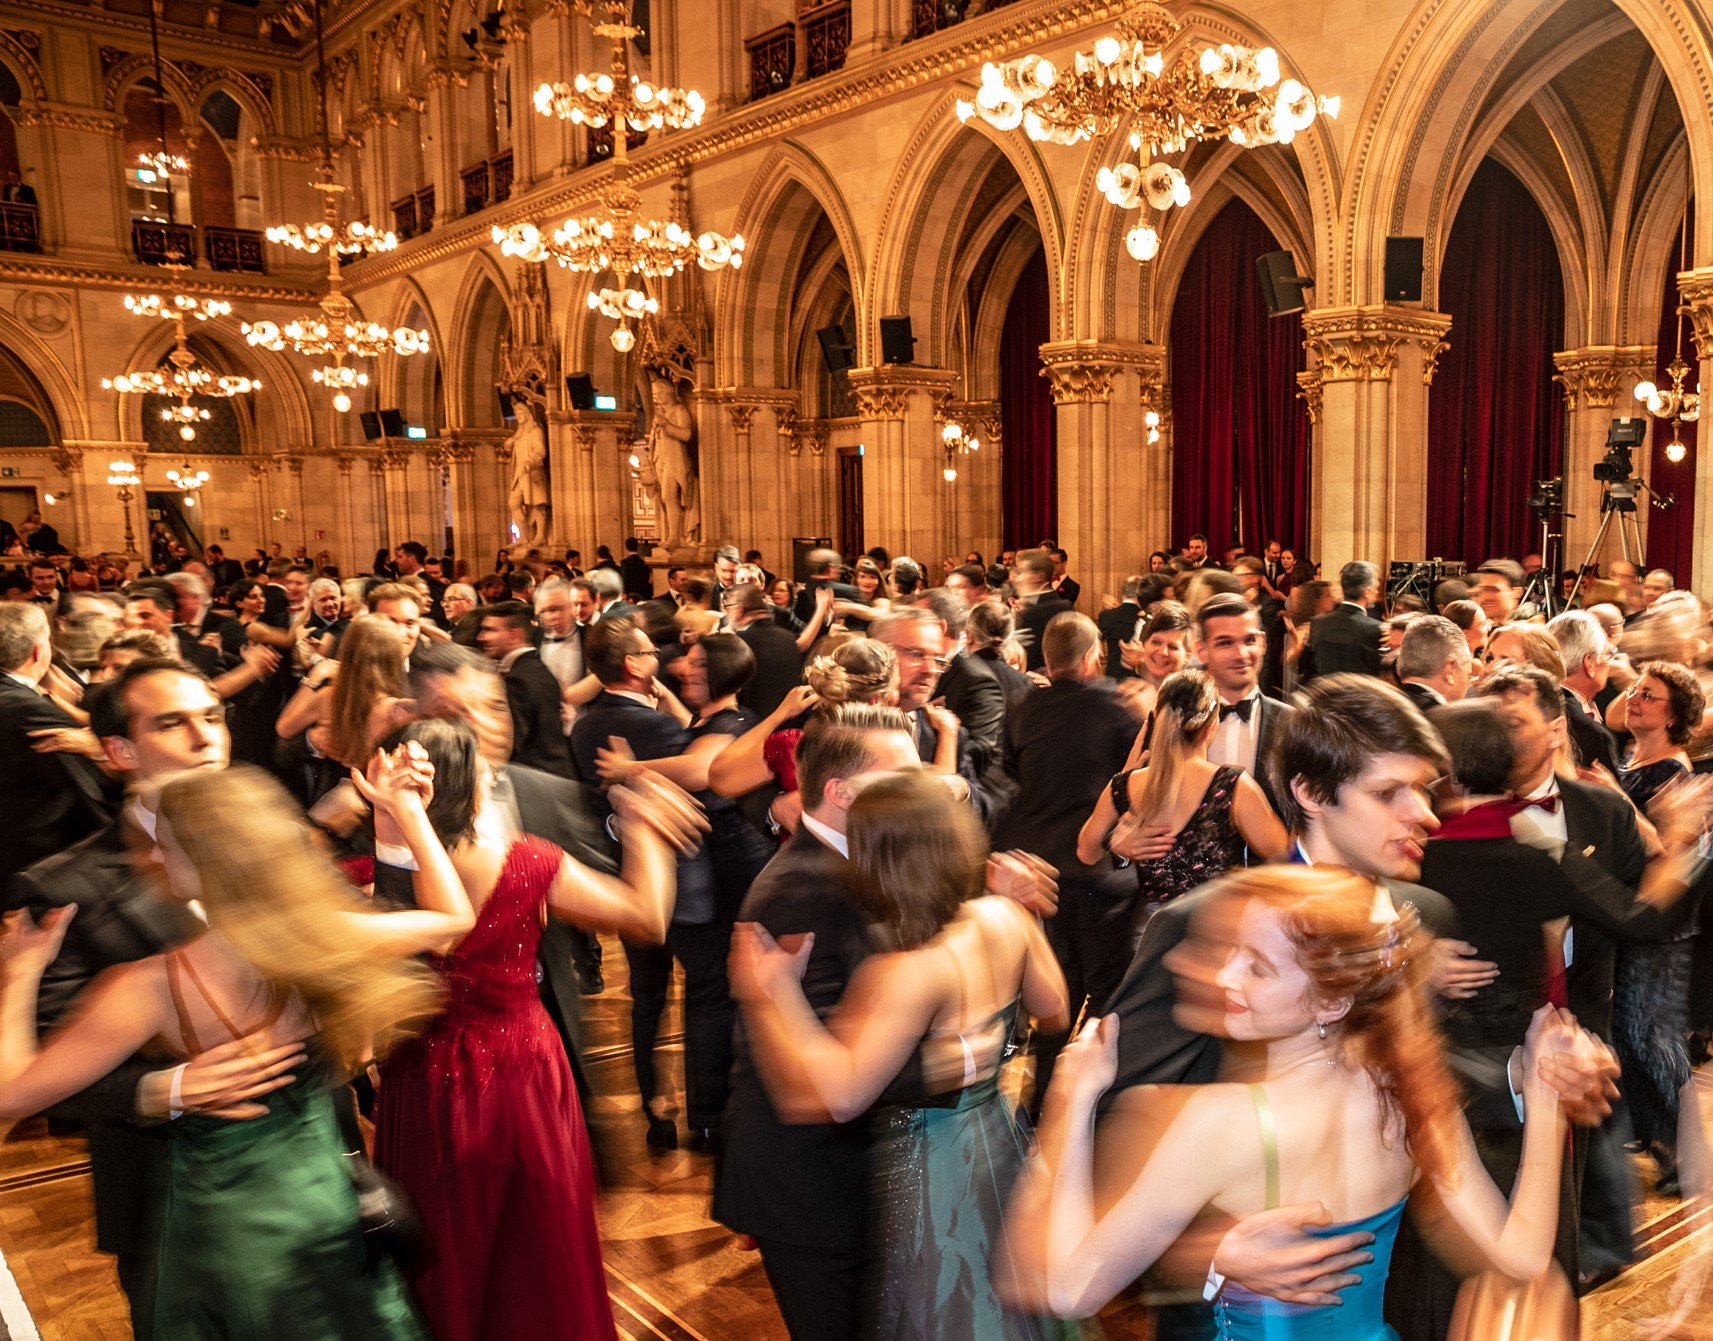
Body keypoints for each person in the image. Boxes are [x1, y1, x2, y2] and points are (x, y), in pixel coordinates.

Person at [0, 751, 479, 1339]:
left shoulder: (150, 986)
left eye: (167, 845)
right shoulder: (322, 938)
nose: (154, 856)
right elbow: (453, 919)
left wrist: (19, 973)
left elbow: (11, 1094)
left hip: (229, 1234)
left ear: (207, 860)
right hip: (323, 1208)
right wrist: (407, 811)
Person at [1003, 866, 1581, 1332]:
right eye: (1231, 952)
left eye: (1256, 968)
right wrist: (1547, 1100)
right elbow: (1522, 1258)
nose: (1226, 978)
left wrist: (1071, 1102)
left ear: (1332, 1005)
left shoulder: (1221, 1123)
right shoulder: (1409, 1100)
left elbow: (1067, 1289)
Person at [373, 716, 702, 1341]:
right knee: (538, 1246)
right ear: (470, 788)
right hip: (521, 1075)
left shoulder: (384, 877)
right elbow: (647, 915)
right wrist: (644, 830)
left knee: (444, 1247)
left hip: (426, 1078)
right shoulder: (524, 862)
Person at [730, 769, 1074, 1341]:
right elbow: (1056, 1008)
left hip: (936, 1167)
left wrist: (775, 994)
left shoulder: (908, 972)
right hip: (996, 1142)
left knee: (946, 1311)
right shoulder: (1004, 916)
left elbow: (840, 1097)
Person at [571, 616, 727, 1151]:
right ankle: (705, 1115)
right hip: (686, 883)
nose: (662, 659)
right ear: (635, 665)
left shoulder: (584, 726)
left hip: (623, 875)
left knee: (646, 998)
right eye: (649, 653)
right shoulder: (662, 729)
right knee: (704, 995)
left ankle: (655, 1109)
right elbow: (705, 778)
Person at [1079, 668, 1288, 919]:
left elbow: (1086, 852)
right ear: (1211, 726)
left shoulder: (1124, 785)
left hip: (1148, 939)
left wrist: (1118, 848)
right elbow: (1285, 858)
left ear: (1157, 719)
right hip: (1215, 935)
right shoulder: (1231, 784)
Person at [1609, 660, 1706, 1195]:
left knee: (1653, 1037)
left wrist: (1614, 797)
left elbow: (1671, 850)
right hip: (1629, 912)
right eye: (1635, 690)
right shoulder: (1629, 757)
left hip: (1663, 921)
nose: (1635, 699)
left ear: (1674, 715)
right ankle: (1658, 1142)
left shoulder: (1675, 773)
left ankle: (1690, 1155)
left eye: (1649, 695)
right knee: (1630, 1033)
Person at [0, 604, 112, 883]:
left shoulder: (23, 700)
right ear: (39, 650)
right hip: (31, 860)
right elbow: (87, 785)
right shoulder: (26, 708)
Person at [479, 599, 573, 777]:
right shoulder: (534, 668)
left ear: (514, 635)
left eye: (490, 630)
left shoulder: (518, 679)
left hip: (538, 781)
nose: (482, 637)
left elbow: (509, 743)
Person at [1549, 609, 1621, 776]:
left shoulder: (1537, 701)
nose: (1607, 662)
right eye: (1606, 654)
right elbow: (1610, 799)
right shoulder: (1589, 731)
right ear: (1589, 664)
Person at [1300, 561, 1382, 680]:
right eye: (1376, 588)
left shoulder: (1318, 623)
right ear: (1366, 592)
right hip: (1358, 696)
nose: (1377, 592)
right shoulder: (1375, 629)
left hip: (1323, 695)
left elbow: (1305, 667)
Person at [1012, 548, 1076, 672]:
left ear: (1038, 576)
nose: (1017, 579)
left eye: (1022, 572)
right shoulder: (1064, 605)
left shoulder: (1035, 612)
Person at [1395, 614, 1472, 713]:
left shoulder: (1377, 707)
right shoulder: (1445, 722)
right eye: (1468, 675)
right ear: (1450, 670)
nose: (1468, 684)